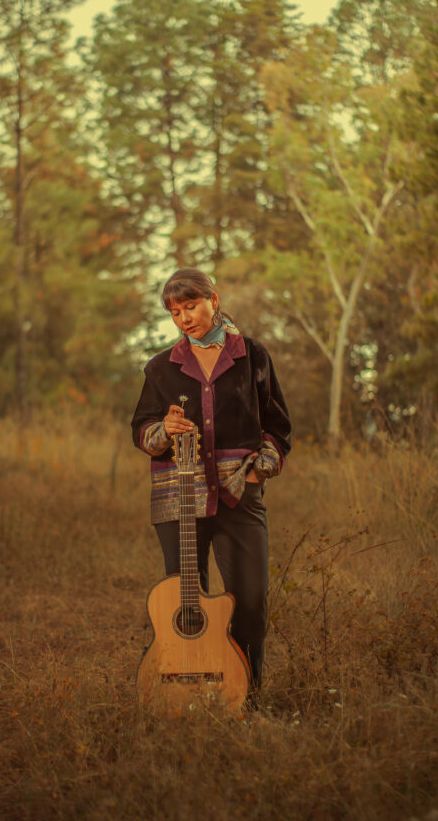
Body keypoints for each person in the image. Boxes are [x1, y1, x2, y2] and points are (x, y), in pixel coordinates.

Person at [131, 268, 291, 699]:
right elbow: (141, 430)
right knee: (185, 605)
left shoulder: (253, 356)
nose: (185, 318)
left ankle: (244, 697)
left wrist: (259, 470)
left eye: (192, 306)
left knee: (250, 602)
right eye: (176, 312)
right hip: (177, 498)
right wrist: (164, 429)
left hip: (240, 495)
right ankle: (189, 693)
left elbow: (278, 427)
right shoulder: (160, 367)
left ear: (213, 301)